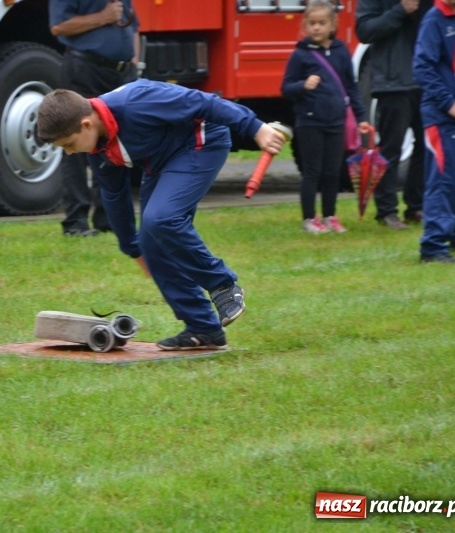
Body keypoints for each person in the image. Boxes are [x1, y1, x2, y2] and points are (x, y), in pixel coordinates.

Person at [37, 80, 286, 350]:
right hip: (162, 161)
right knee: (150, 240)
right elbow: (114, 196)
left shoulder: (137, 102)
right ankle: (203, 327)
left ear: (86, 124)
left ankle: (223, 286)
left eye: (69, 144)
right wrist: (133, 249)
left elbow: (205, 102)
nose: (71, 152)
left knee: (161, 218)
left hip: (201, 142)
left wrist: (255, 128)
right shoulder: (98, 148)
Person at [48, 0, 143, 237]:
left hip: (121, 73)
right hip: (85, 70)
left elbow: (132, 26)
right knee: (76, 143)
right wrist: (103, 17)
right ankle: (76, 221)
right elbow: (58, 26)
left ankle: (107, 217)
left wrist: (133, 64)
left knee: (113, 144)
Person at [282, 0, 371, 234]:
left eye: (322, 23)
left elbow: (351, 87)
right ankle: (309, 219)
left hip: (336, 121)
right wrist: (303, 85)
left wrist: (361, 117)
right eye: (312, 23)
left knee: (333, 171)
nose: (317, 28)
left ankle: (330, 216)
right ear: (304, 26)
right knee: (313, 171)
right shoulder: (300, 55)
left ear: (333, 25)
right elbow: (286, 88)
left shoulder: (341, 51)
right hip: (309, 121)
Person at [412, 0, 455, 263]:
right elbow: (422, 68)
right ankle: (433, 245)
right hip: (445, 118)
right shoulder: (435, 19)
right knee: (444, 181)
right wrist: (449, 103)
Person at [356, 0, 431, 230]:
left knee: (426, 147)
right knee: (391, 148)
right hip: (393, 83)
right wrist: (400, 11)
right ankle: (387, 211)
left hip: (426, 79)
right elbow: (365, 31)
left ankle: (416, 206)